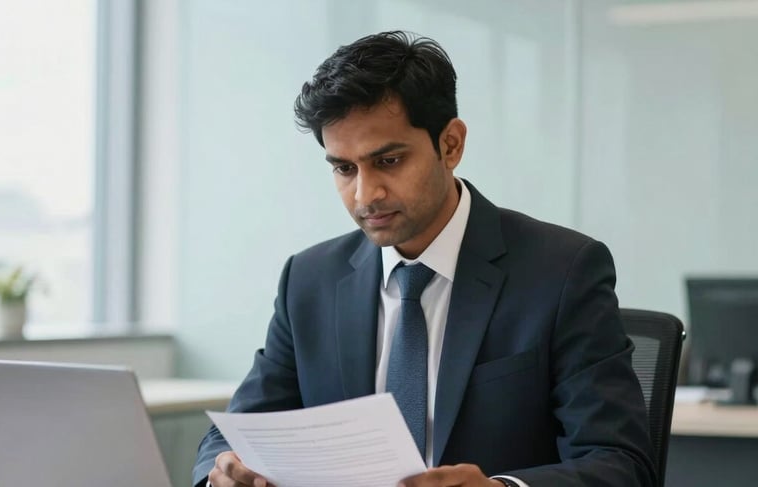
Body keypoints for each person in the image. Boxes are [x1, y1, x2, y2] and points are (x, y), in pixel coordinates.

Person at [193, 31, 655, 487]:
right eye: (343, 168)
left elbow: (620, 463)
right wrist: (225, 473)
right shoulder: (309, 281)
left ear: (450, 145)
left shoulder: (562, 271)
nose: (365, 194)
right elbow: (231, 435)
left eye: (389, 161)